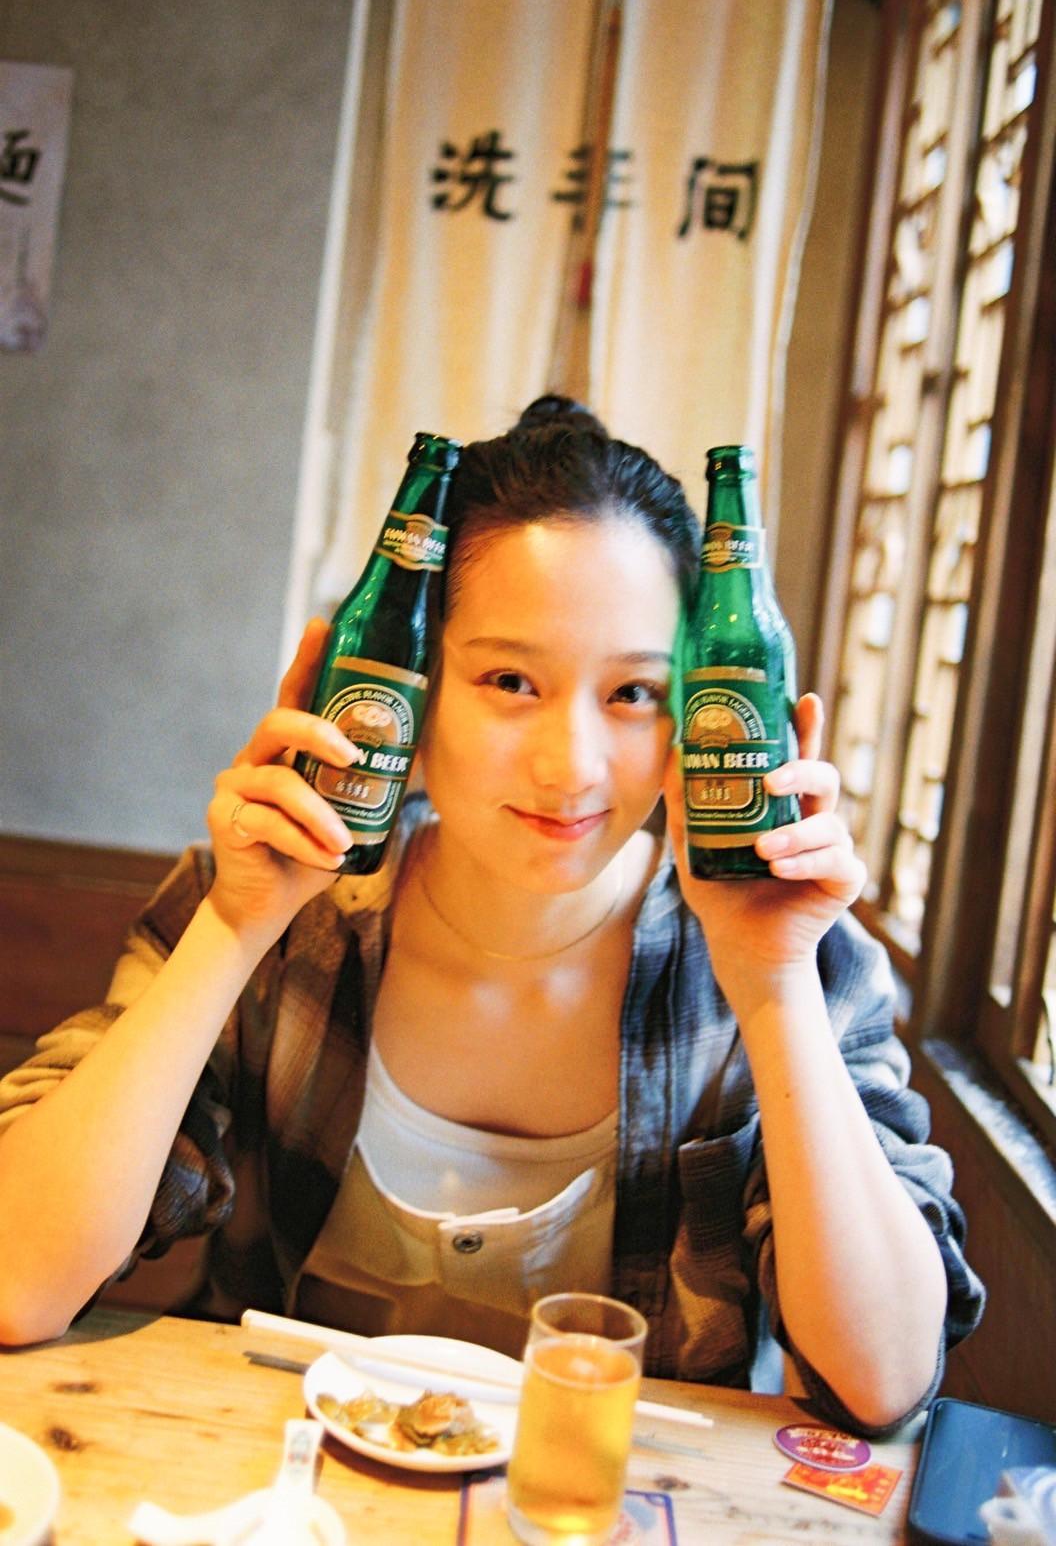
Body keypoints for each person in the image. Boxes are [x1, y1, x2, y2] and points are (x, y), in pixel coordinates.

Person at [0, 397, 982, 1436]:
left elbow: (883, 1379)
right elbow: (16, 1279)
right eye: (512, 680)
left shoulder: (793, 959)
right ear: (411, 689)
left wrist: (773, 985)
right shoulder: (275, 917)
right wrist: (235, 929)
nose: (573, 767)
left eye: (634, 694)